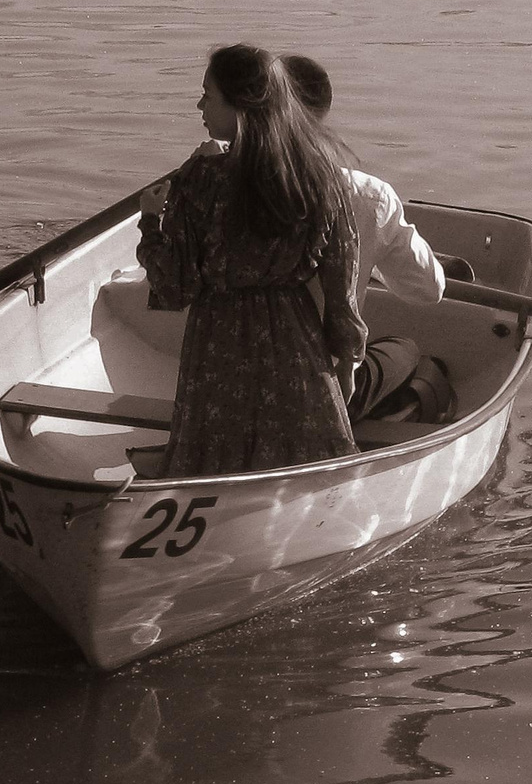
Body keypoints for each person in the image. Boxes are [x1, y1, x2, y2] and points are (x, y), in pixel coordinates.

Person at [135, 45, 364, 477]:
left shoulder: (202, 178)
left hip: (217, 344)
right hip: (293, 339)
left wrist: (151, 223)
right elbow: (341, 278)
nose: (199, 105)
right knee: (307, 466)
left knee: (212, 465)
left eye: (208, 95)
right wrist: (347, 358)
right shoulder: (318, 174)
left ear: (241, 104)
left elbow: (174, 285)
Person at [279, 55, 446, 306]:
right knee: (402, 346)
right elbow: (428, 290)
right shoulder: (369, 197)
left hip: (234, 343)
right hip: (324, 345)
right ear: (323, 111)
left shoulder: (216, 181)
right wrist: (373, 258)